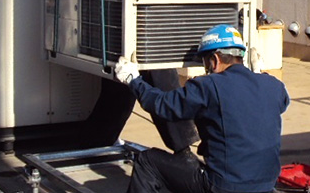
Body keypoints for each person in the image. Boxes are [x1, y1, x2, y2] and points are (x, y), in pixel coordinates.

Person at [115, 24, 290, 193]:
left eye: (206, 63)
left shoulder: (208, 86)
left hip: (224, 186)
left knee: (147, 161)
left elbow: (162, 105)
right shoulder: (273, 85)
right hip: (266, 185)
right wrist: (259, 75)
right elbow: (283, 102)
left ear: (214, 60)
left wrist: (134, 80)